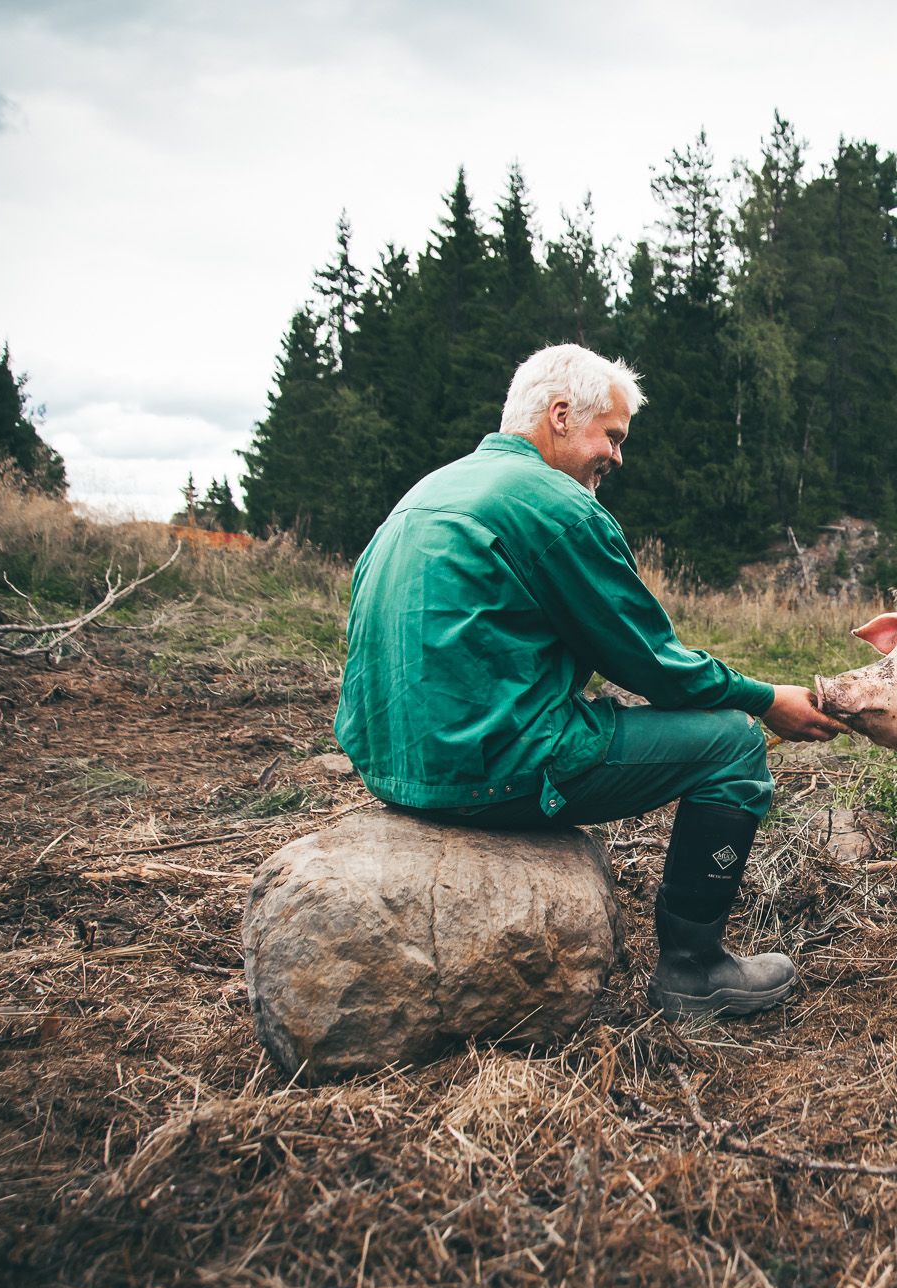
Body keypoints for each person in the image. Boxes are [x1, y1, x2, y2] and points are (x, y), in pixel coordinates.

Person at [334, 344, 842, 1019]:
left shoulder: (425, 493)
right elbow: (653, 664)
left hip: (391, 769)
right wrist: (767, 699)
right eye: (613, 436)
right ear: (561, 415)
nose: (618, 457)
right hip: (488, 770)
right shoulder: (556, 507)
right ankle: (694, 969)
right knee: (733, 744)